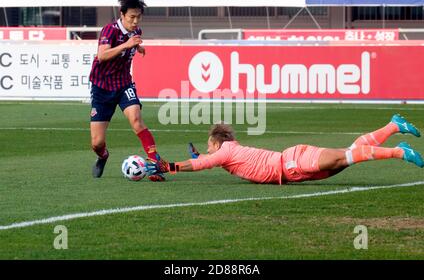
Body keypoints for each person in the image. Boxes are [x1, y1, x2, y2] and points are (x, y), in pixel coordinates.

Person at [146, 114, 423, 184]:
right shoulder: (229, 149)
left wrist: (168, 166)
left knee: (348, 156)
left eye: (210, 145)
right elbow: (209, 159)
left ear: (217, 143)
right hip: (293, 170)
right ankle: (392, 126)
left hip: (292, 163)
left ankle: (399, 151)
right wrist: (201, 155)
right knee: (348, 156)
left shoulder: (225, 151)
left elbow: (203, 163)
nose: (209, 150)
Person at [89, 0, 166, 181]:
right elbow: (102, 56)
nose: (135, 21)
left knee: (136, 120)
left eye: (139, 17)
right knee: (97, 143)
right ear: (122, 15)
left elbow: (130, 44)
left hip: (124, 84)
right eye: (132, 17)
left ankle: (155, 163)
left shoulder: (136, 32)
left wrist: (137, 47)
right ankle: (103, 156)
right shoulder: (110, 30)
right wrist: (127, 45)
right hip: (102, 87)